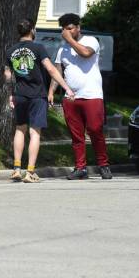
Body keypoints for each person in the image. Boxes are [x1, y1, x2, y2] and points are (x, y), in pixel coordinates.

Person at [4, 19, 74, 183]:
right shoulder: (38, 48)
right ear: (32, 31)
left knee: (19, 129)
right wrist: (67, 88)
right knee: (34, 132)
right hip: (37, 94)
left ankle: (16, 169)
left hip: (19, 94)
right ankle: (30, 172)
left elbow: (7, 75)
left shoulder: (10, 50)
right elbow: (50, 69)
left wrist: (10, 94)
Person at [49, 13, 113, 180]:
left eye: (70, 29)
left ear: (78, 27)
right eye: (64, 30)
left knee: (95, 129)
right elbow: (57, 72)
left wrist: (69, 40)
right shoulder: (62, 49)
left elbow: (85, 54)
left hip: (92, 95)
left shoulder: (90, 41)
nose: (67, 32)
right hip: (71, 98)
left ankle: (103, 165)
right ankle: (80, 168)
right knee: (76, 135)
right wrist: (51, 92)